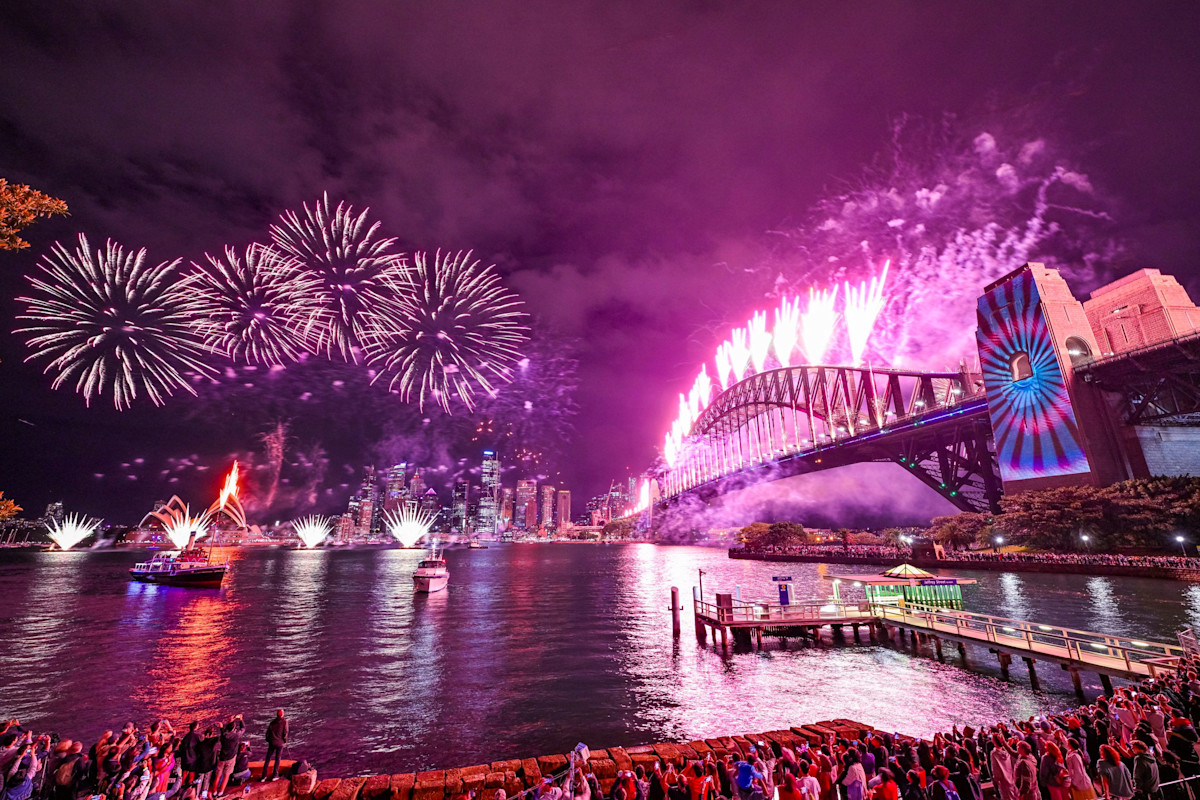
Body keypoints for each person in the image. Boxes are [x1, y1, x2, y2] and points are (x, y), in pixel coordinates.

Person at [213, 716, 244, 796]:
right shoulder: (236, 736)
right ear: (234, 729)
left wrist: (227, 724)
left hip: (222, 757)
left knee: (218, 776)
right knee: (226, 776)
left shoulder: (223, 735)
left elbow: (224, 731)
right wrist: (241, 720)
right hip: (231, 757)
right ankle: (221, 792)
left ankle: (214, 792)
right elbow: (243, 729)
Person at [263, 711, 288, 782]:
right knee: (277, 759)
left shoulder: (272, 722)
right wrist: (285, 741)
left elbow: (267, 733)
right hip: (279, 743)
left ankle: (263, 776)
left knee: (268, 759)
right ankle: (275, 775)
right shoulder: (284, 722)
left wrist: (268, 740)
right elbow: (285, 733)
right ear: (282, 714)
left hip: (272, 742)